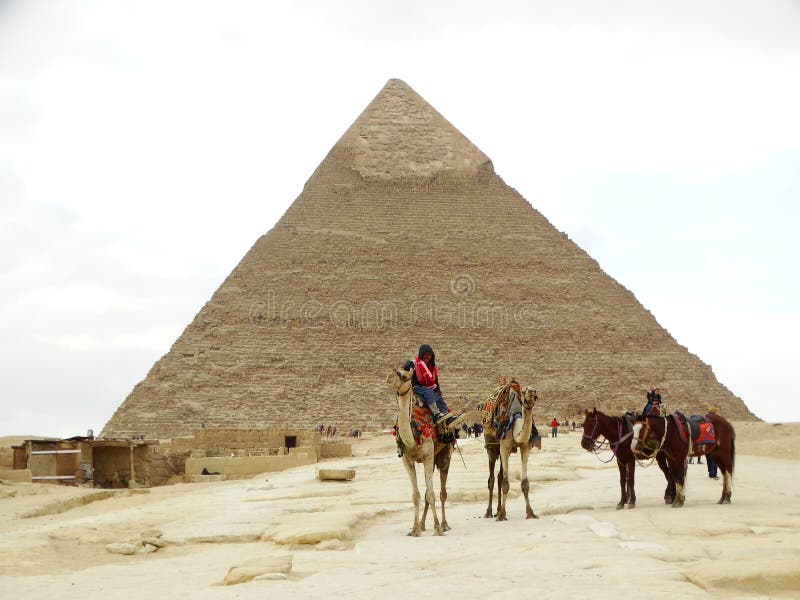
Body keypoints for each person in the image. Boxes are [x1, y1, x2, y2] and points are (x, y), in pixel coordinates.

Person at [402, 344, 455, 425]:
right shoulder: (413, 363)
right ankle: (436, 414)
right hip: (417, 387)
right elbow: (403, 370)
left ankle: (446, 416)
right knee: (428, 392)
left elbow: (435, 380)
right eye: (425, 354)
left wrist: (438, 390)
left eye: (429, 355)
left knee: (439, 399)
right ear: (421, 354)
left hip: (429, 388)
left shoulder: (432, 366)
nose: (427, 356)